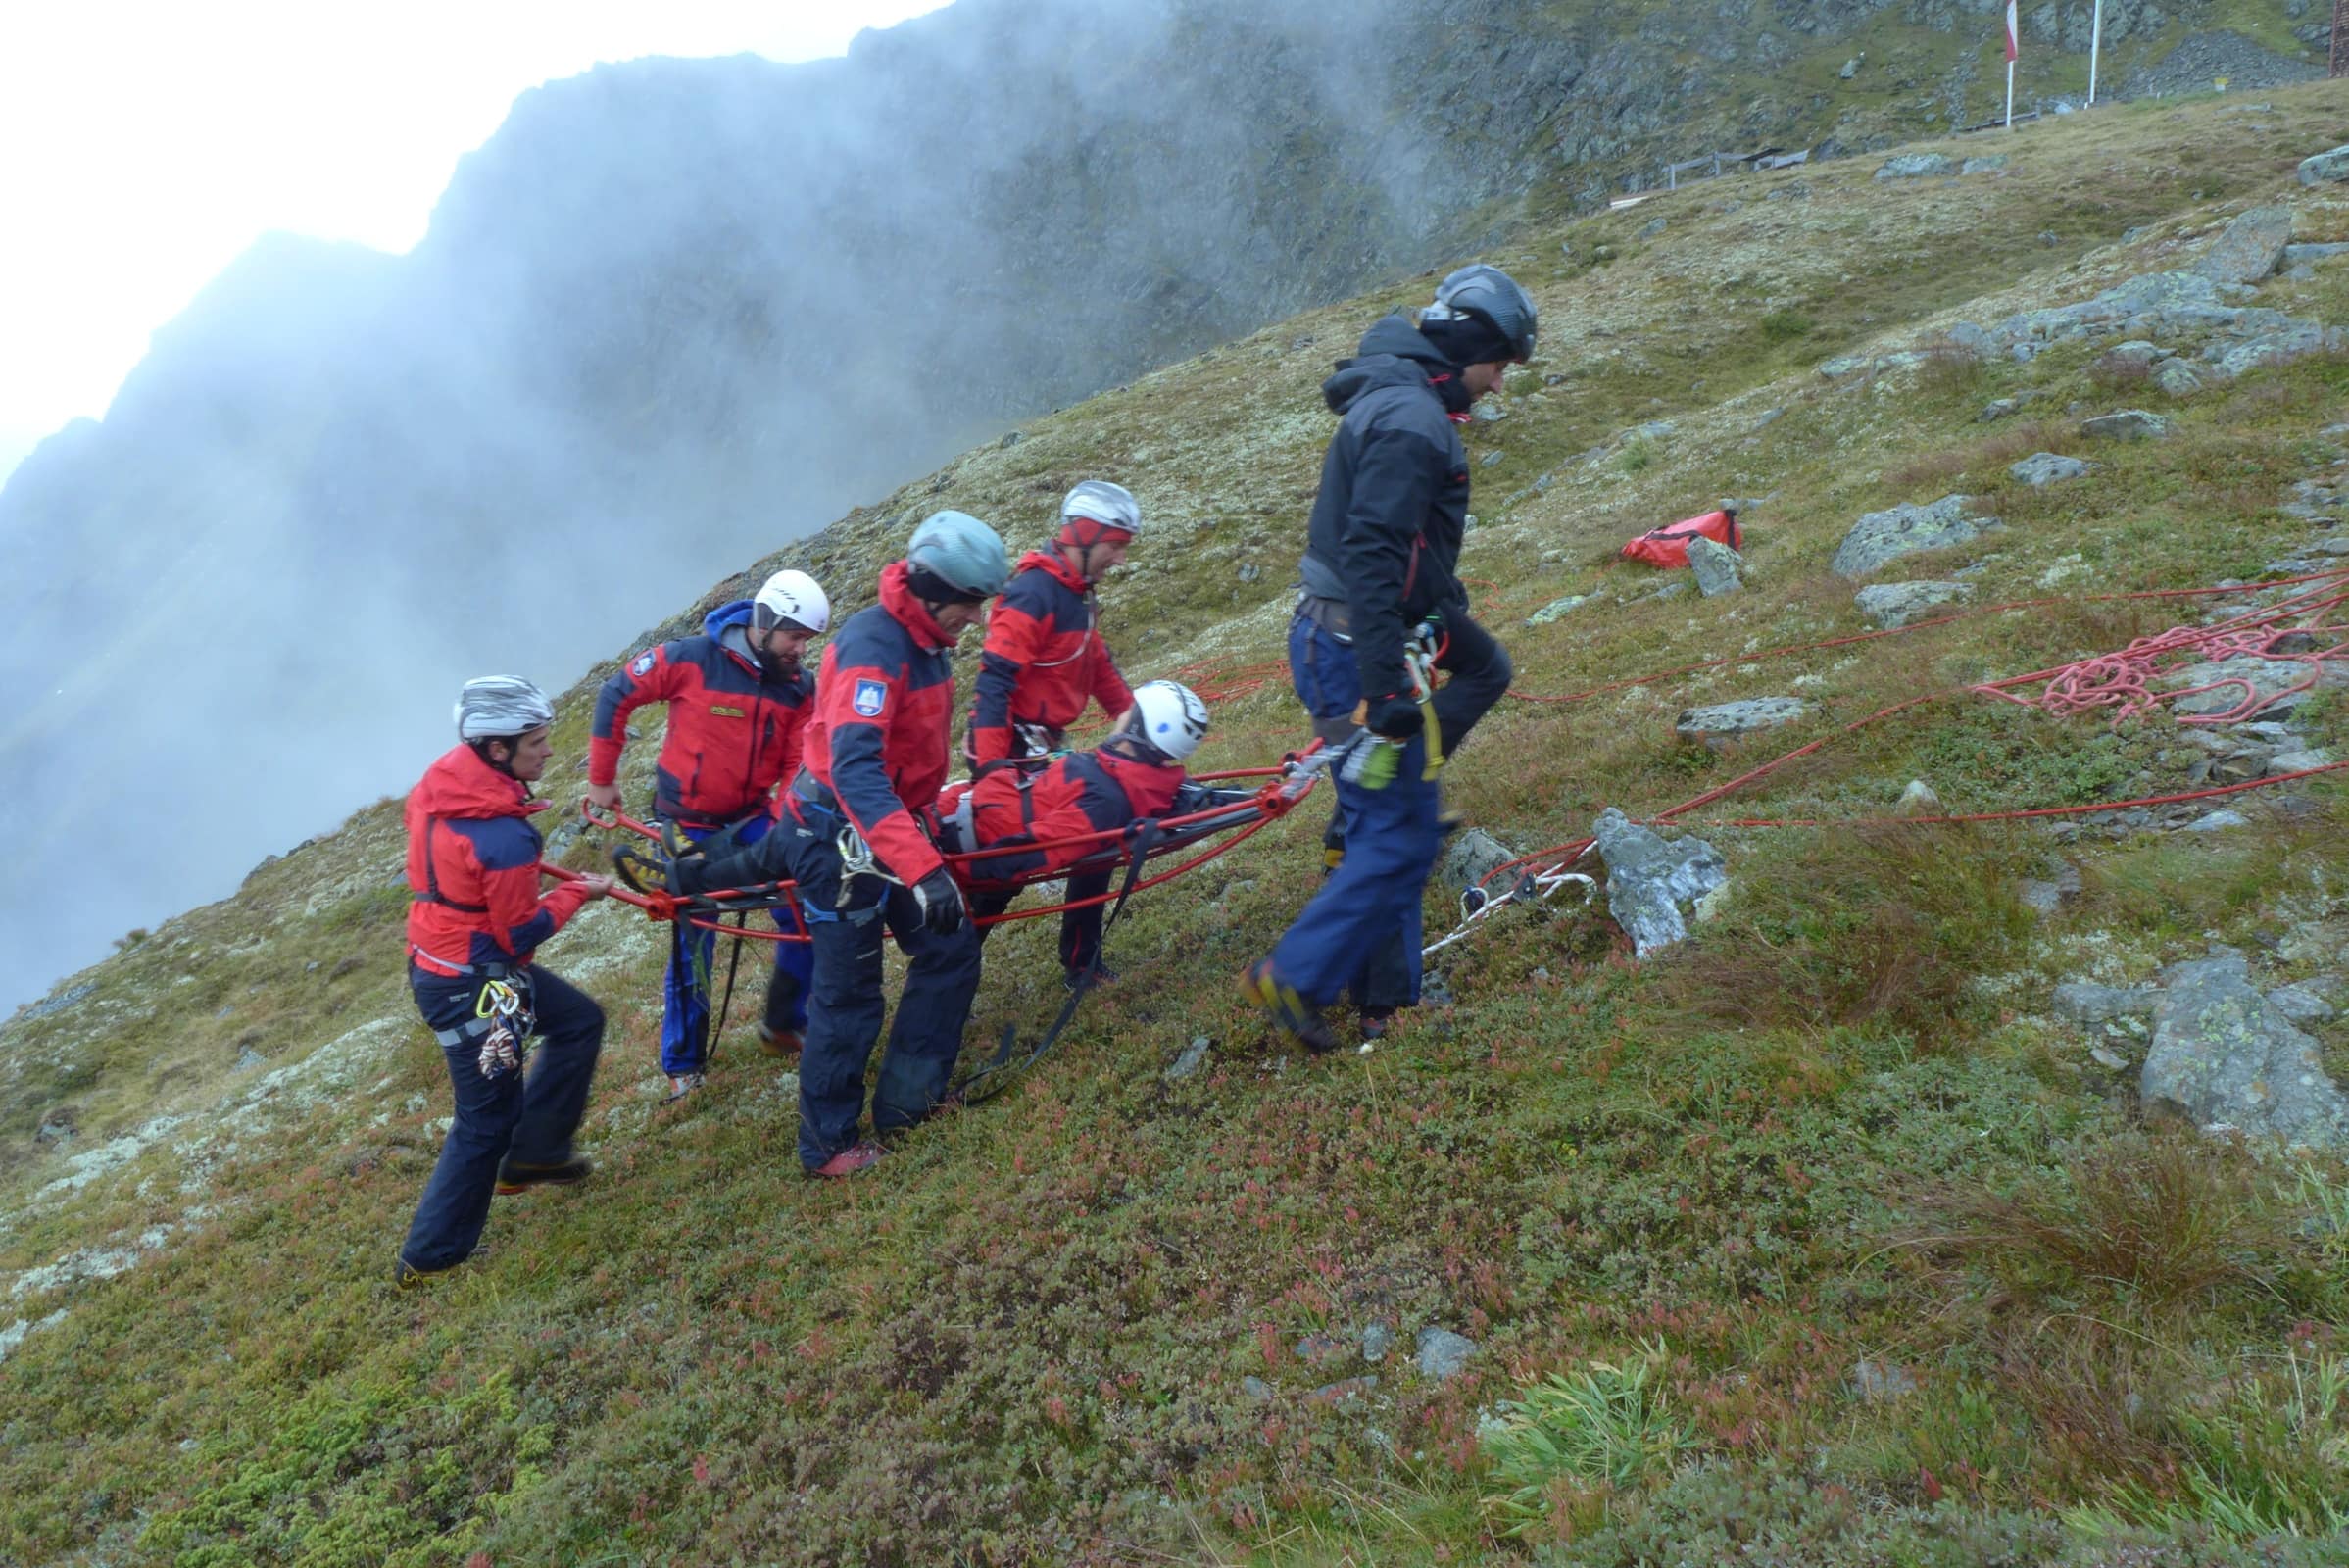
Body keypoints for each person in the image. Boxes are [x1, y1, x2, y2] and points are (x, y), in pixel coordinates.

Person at [1244, 263, 1536, 1054]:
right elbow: (1372, 548)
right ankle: (1296, 975)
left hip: (1363, 632)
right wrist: (1384, 686)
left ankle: (1380, 991)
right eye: (1499, 365)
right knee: (1401, 835)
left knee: (1465, 702)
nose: (1499, 385)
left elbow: (1400, 544)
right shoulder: (1412, 420)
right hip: (1354, 648)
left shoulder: (1409, 405)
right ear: (1472, 346)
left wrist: (1442, 603)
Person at [671, 512, 1010, 1177]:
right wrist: (923, 869)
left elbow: (899, 759)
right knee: (848, 995)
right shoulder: (874, 650)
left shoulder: (922, 636)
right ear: (932, 588)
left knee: (949, 949)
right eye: (970, 602)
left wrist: (926, 841)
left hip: (877, 830)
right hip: (835, 846)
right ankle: (824, 1146)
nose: (977, 617)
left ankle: (908, 1104)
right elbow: (855, 768)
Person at [397, 676, 613, 1287]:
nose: (548, 750)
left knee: (578, 1020)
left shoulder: (441, 787)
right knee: (484, 1120)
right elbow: (521, 933)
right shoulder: (504, 835)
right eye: (536, 743)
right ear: (497, 751)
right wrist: (578, 891)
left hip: (447, 960)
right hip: (474, 984)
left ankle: (537, 1151)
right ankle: (429, 1258)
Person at [588, 569, 829, 1101]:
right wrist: (602, 779)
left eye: (807, 641)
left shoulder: (799, 688)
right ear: (765, 623)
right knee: (695, 935)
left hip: (753, 819)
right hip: (686, 826)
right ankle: (683, 1065)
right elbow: (618, 692)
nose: (800, 651)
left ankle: (784, 1023)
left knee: (806, 899)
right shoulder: (691, 658)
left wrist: (790, 826)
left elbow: (796, 765)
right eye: (795, 637)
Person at [965, 480, 1141, 986]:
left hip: (1042, 750)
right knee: (1004, 872)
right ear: (1085, 536)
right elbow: (994, 684)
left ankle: (1082, 963)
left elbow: (1097, 664)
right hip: (1010, 752)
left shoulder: (1078, 594)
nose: (1120, 560)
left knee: (1097, 839)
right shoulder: (1032, 592)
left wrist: (1135, 725)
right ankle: (949, 964)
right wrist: (994, 772)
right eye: (1115, 546)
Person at [944, 681, 1248, 947]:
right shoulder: (1140, 781)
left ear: (1139, 726)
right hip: (971, 813)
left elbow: (1036, 849)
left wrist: (951, 874)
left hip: (951, 836)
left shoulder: (1106, 799)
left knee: (948, 956)